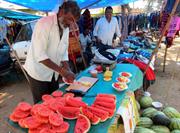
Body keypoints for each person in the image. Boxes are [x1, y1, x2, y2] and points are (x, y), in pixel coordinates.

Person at [24, 1, 81, 103]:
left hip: (54, 73)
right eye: (70, 19)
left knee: (55, 102)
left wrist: (68, 69)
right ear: (62, 12)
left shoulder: (66, 27)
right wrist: (63, 71)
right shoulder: (44, 24)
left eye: (74, 21)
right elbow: (40, 55)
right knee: (41, 105)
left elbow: (63, 52)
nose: (71, 23)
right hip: (38, 74)